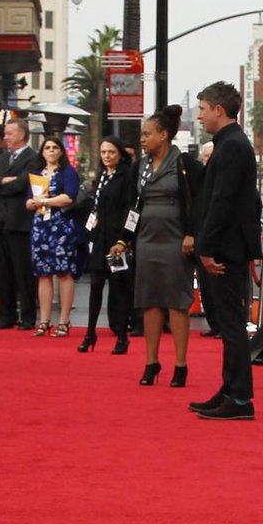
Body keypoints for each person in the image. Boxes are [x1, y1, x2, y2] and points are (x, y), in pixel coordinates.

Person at [112, 105, 202, 388]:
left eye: (147, 134)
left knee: (177, 303)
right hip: (146, 240)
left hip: (176, 240)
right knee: (149, 302)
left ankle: (180, 364)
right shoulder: (140, 167)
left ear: (163, 135)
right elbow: (133, 206)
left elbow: (199, 203)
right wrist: (123, 239)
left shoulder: (186, 165)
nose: (142, 139)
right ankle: (151, 362)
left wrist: (192, 234)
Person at [188, 82, 263, 420]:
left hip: (225, 250)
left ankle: (240, 398)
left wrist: (206, 248)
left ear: (219, 109)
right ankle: (230, 390)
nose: (199, 115)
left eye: (203, 109)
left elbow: (223, 201)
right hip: (224, 247)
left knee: (231, 325)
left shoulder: (233, 145)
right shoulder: (228, 143)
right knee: (225, 324)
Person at [75, 138, 134, 354]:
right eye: (103, 152)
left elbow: (131, 208)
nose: (107, 156)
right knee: (95, 284)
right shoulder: (102, 176)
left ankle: (122, 336)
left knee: (118, 287)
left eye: (111, 152)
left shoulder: (127, 176)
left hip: (117, 240)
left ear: (120, 154)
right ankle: (90, 333)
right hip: (99, 239)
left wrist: (124, 239)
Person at [28, 135, 83, 335]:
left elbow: (68, 197)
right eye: (47, 147)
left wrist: (44, 201)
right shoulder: (37, 173)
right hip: (40, 225)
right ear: (42, 152)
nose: (51, 151)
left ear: (61, 151)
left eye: (55, 147)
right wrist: (34, 202)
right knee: (43, 273)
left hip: (61, 226)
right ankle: (44, 320)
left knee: (63, 272)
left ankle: (64, 320)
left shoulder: (67, 172)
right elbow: (28, 201)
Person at [0, 118, 39, 329]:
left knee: (23, 272)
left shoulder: (33, 159)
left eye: (10, 133)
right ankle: (6, 315)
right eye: (5, 133)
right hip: (0, 221)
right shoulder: (0, 159)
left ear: (21, 134)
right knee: (3, 272)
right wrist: (1, 181)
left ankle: (27, 316)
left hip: (21, 222)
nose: (6, 137)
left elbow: (22, 184)